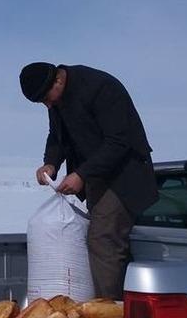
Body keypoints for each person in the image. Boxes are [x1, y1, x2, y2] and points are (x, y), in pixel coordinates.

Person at [19, 62, 158, 300]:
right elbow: (57, 136)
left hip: (124, 176)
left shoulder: (101, 89)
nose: (47, 105)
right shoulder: (57, 99)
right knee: (101, 241)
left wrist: (82, 174)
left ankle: (108, 310)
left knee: (102, 239)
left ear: (58, 81)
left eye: (45, 99)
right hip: (97, 177)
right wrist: (51, 163)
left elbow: (118, 143)